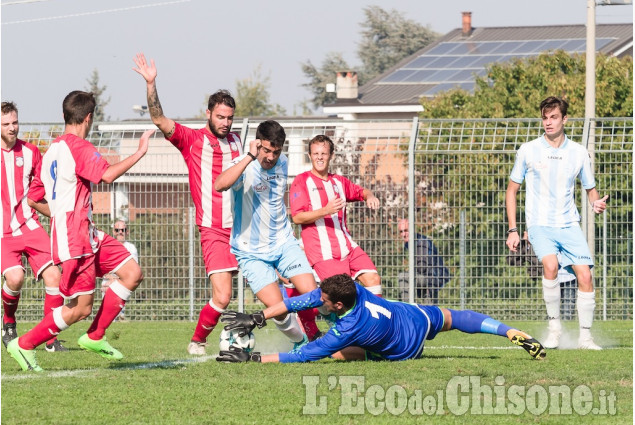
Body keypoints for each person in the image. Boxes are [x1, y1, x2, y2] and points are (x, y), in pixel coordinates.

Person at [133, 53, 274, 355]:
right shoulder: (191, 140)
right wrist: (151, 83)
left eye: (229, 117)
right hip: (214, 229)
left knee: (277, 286)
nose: (225, 122)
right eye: (220, 116)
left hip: (246, 229)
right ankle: (197, 341)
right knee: (222, 297)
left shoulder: (238, 141)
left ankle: (308, 337)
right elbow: (158, 118)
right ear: (208, 113)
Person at [6, 90, 154, 372]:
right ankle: (24, 344)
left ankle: (96, 336)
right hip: (75, 241)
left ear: (64, 116)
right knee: (80, 308)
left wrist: (62, 214)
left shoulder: (51, 151)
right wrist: (139, 152)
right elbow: (108, 175)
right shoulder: (80, 148)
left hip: (87, 234)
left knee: (132, 273)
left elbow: (34, 197)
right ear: (88, 118)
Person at [216, 273, 546, 363]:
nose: (321, 300)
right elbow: (299, 302)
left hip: (404, 349)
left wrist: (255, 358)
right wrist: (258, 317)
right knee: (455, 316)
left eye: (326, 301)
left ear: (340, 305)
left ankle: (373, 350)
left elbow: (302, 356)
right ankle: (509, 331)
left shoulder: (347, 327)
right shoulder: (351, 288)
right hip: (411, 315)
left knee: (334, 353)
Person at [505, 96, 608, 350]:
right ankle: (555, 330)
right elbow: (511, 191)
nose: (548, 122)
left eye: (553, 117)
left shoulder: (578, 153)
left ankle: (585, 338)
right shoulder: (528, 150)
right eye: (544, 117)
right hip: (540, 224)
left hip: (569, 224)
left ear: (564, 119)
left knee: (585, 276)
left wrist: (596, 203)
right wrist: (513, 229)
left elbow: (590, 189)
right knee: (549, 265)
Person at [214, 120, 319, 349]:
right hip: (250, 252)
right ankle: (302, 344)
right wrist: (249, 157)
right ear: (257, 144)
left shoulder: (283, 162)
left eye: (276, 151)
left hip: (283, 244)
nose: (271, 157)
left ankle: (346, 334)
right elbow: (219, 185)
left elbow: (275, 199)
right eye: (266, 150)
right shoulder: (244, 164)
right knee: (277, 308)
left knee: (314, 295)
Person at [1, 101, 67, 352]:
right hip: (3, 233)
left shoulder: (30, 152)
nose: (12, 128)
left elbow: (42, 189)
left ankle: (50, 338)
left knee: (54, 276)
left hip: (30, 226)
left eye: (15, 122)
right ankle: (8, 321)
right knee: (15, 278)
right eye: (6, 124)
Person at [289, 135, 382, 296]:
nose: (319, 157)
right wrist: (325, 210)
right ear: (310, 155)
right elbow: (297, 218)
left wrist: (370, 196)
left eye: (323, 154)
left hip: (347, 245)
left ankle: (374, 320)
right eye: (316, 153)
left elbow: (362, 191)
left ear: (331, 156)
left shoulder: (339, 182)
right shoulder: (301, 181)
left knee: (373, 280)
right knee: (341, 294)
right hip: (321, 250)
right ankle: (307, 314)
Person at [507, 232, 576, 319]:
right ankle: (552, 327)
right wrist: (525, 242)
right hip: (550, 278)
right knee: (552, 308)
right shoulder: (537, 244)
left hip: (568, 277)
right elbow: (512, 260)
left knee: (568, 310)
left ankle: (567, 329)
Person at [396, 219, 451, 304]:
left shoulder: (421, 243)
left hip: (433, 278)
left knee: (403, 276)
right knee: (430, 310)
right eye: (401, 232)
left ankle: (407, 308)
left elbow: (422, 267)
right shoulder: (412, 242)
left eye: (406, 230)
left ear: (412, 229)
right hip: (429, 277)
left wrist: (411, 271)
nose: (403, 234)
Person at [101, 219, 139, 321]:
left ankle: (119, 316)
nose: (120, 232)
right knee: (107, 286)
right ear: (113, 232)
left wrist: (115, 279)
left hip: (122, 281)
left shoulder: (131, 248)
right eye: (117, 230)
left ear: (127, 231)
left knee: (117, 286)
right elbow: (102, 267)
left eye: (123, 229)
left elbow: (133, 270)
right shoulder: (107, 246)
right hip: (108, 281)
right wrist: (111, 278)